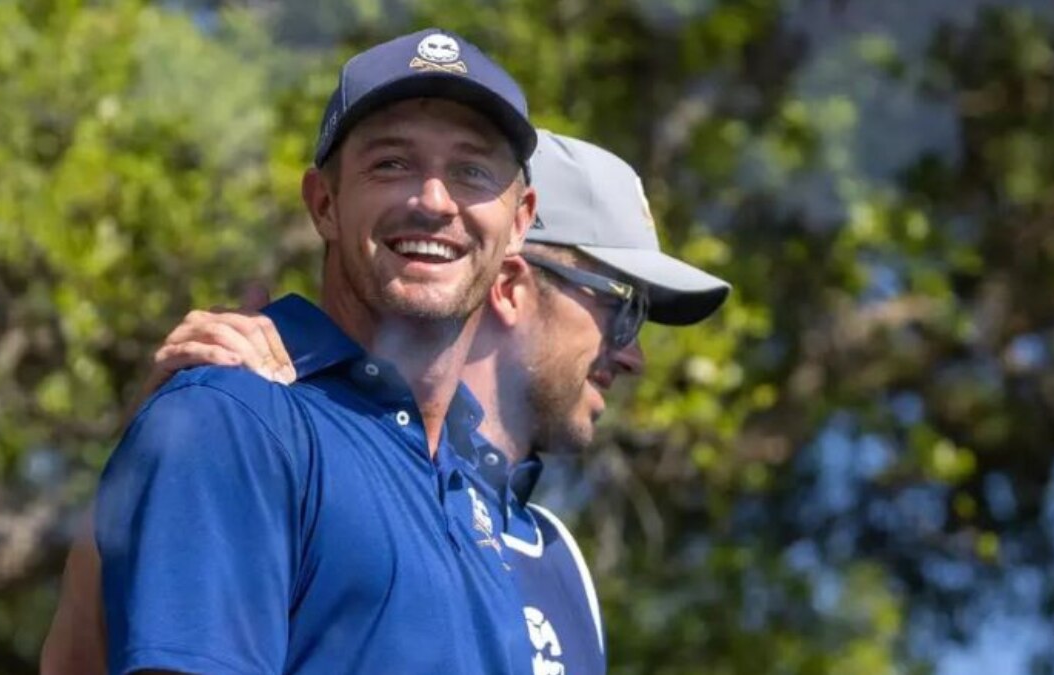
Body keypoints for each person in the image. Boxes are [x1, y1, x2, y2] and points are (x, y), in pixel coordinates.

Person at [43, 131, 731, 674]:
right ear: (511, 282)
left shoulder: (560, 561)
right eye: (621, 310)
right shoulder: (269, 429)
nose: (633, 354)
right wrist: (149, 454)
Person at [82, 27, 541, 674]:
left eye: (470, 171)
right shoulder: (235, 416)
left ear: (519, 220)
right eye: (392, 164)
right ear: (324, 203)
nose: (434, 201)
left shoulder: (472, 482)